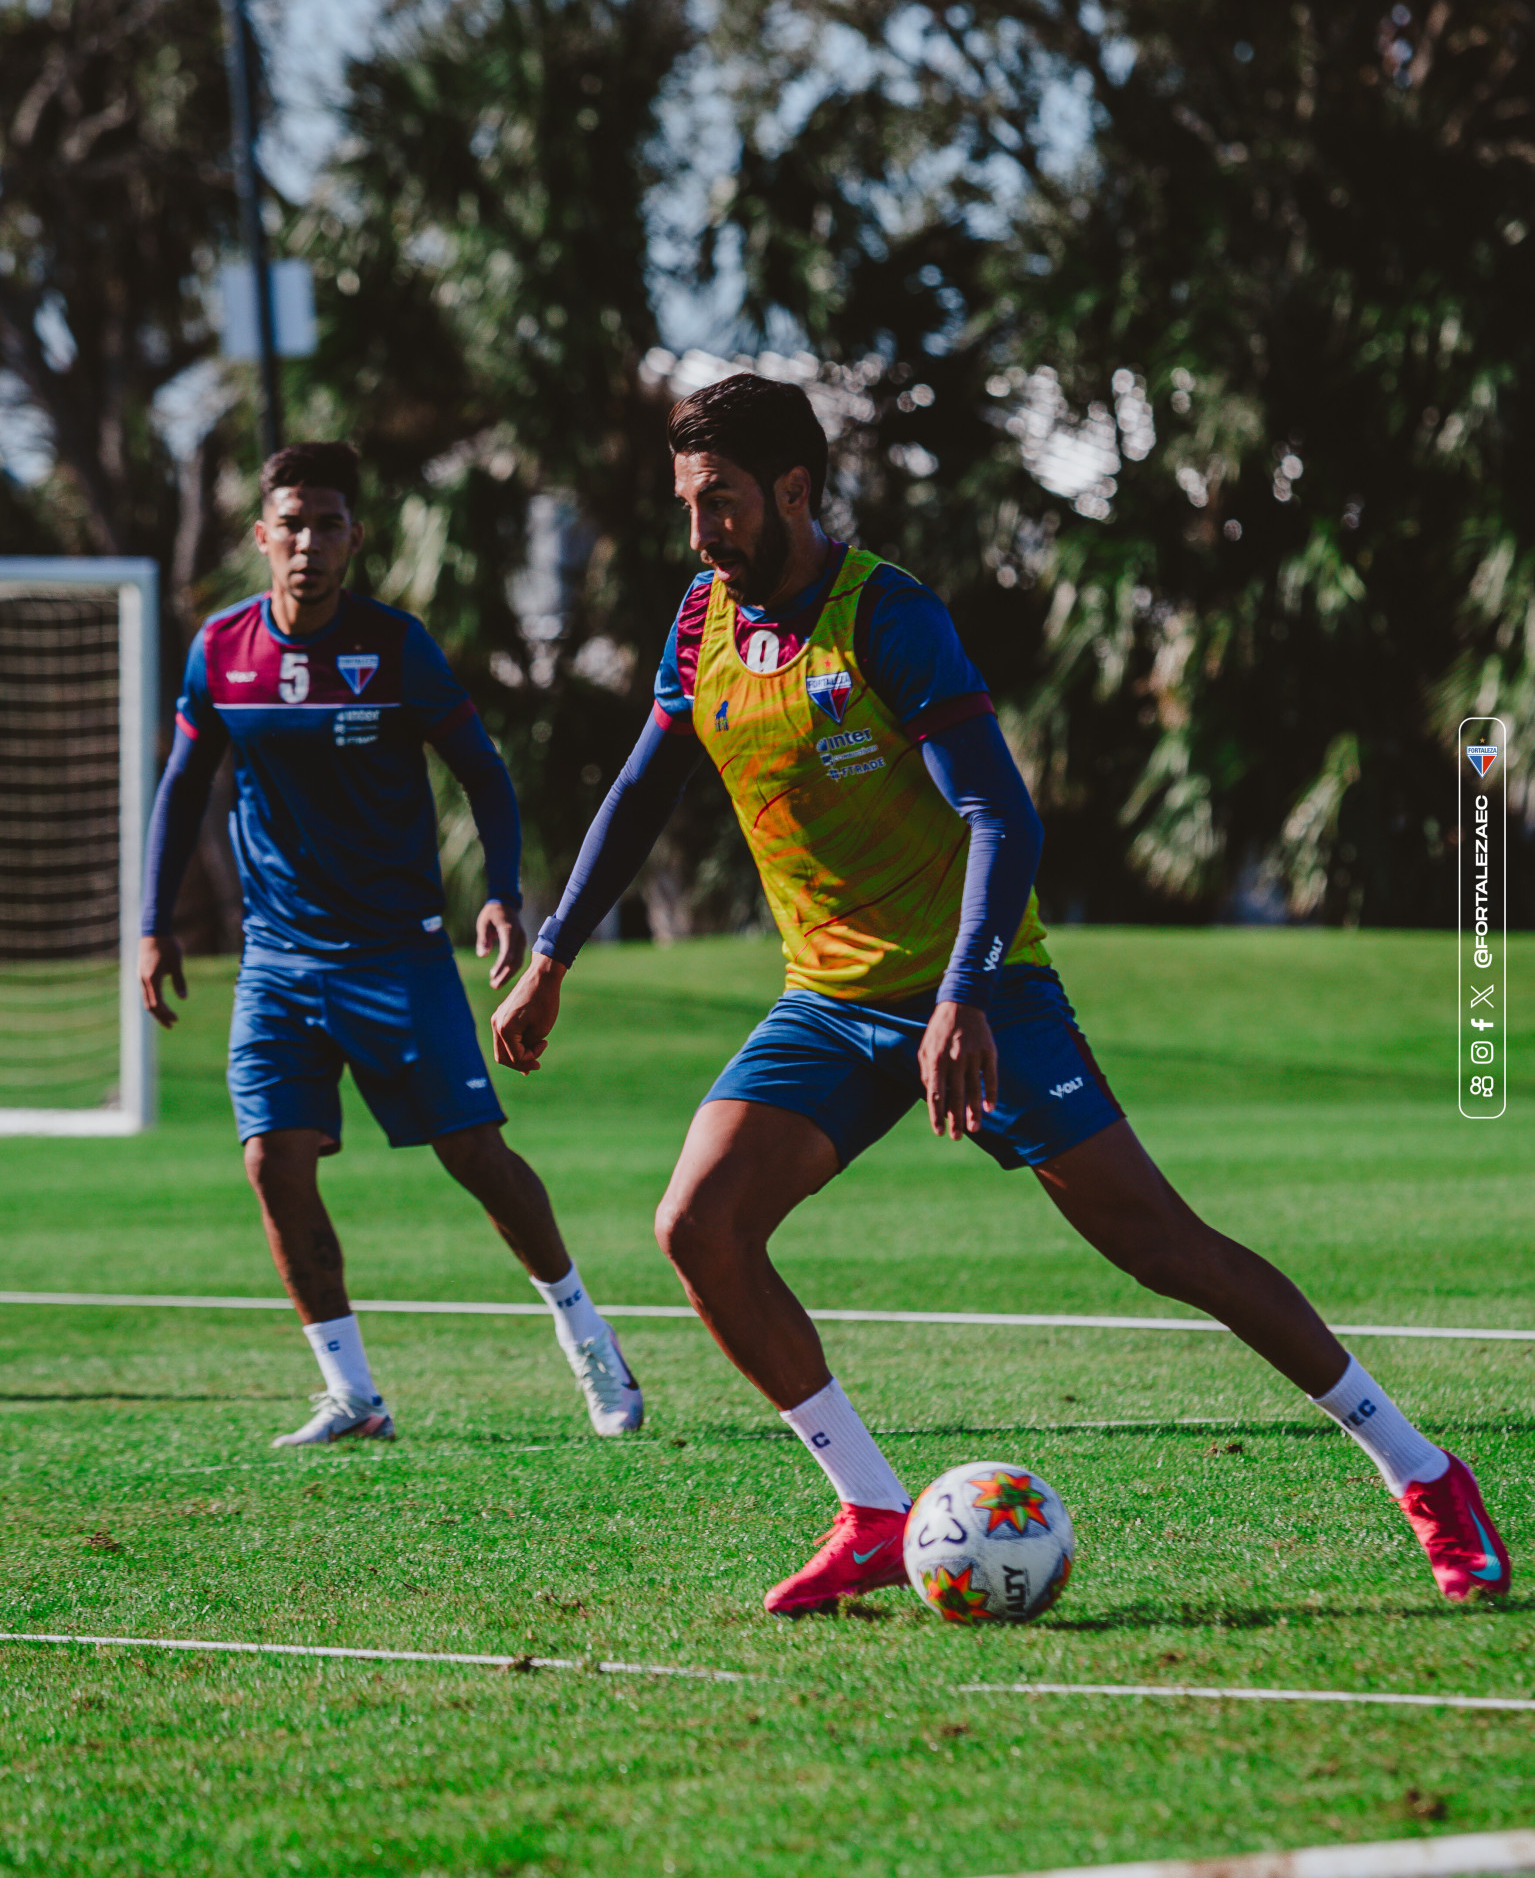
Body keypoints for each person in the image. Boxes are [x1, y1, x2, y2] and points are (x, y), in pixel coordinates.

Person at [489, 375, 1509, 1613]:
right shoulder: (700, 617)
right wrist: (554, 955)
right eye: (687, 507)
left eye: (721, 505)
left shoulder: (890, 618)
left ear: (795, 492)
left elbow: (998, 815)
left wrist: (961, 998)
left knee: (1159, 1244)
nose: (699, 533)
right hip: (826, 1004)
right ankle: (868, 1506)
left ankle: (1422, 1473)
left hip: (983, 992)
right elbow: (644, 790)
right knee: (696, 1227)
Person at [139, 441, 642, 1447]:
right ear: (261, 535)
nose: (308, 543)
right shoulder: (222, 651)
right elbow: (183, 786)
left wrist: (501, 894)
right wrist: (152, 924)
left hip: (398, 956)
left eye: (328, 524)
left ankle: (589, 1340)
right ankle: (353, 1396)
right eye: (291, 522)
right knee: (273, 1164)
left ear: (354, 539)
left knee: (474, 1156)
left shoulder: (395, 648)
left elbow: (485, 775)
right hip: (277, 963)